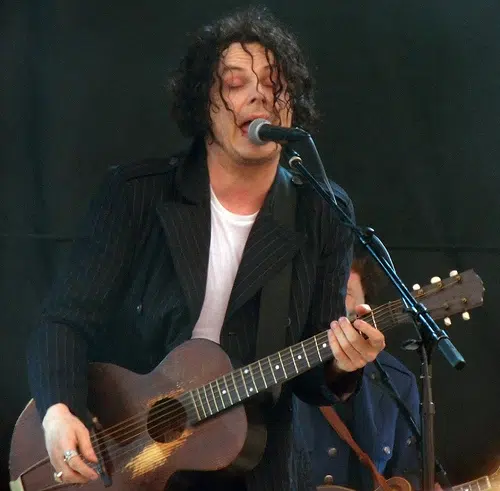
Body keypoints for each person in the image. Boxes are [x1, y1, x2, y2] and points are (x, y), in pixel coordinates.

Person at [26, 7, 386, 491]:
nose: (260, 94)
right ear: (204, 106)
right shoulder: (138, 194)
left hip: (252, 465)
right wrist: (58, 410)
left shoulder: (320, 209)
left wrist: (342, 362)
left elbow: (311, 375)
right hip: (123, 454)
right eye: (236, 83)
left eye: (275, 83)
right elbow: (64, 321)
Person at [293, 249, 421, 491]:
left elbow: (409, 470)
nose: (330, 300)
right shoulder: (283, 363)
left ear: (365, 308)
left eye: (344, 292)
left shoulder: (398, 380)